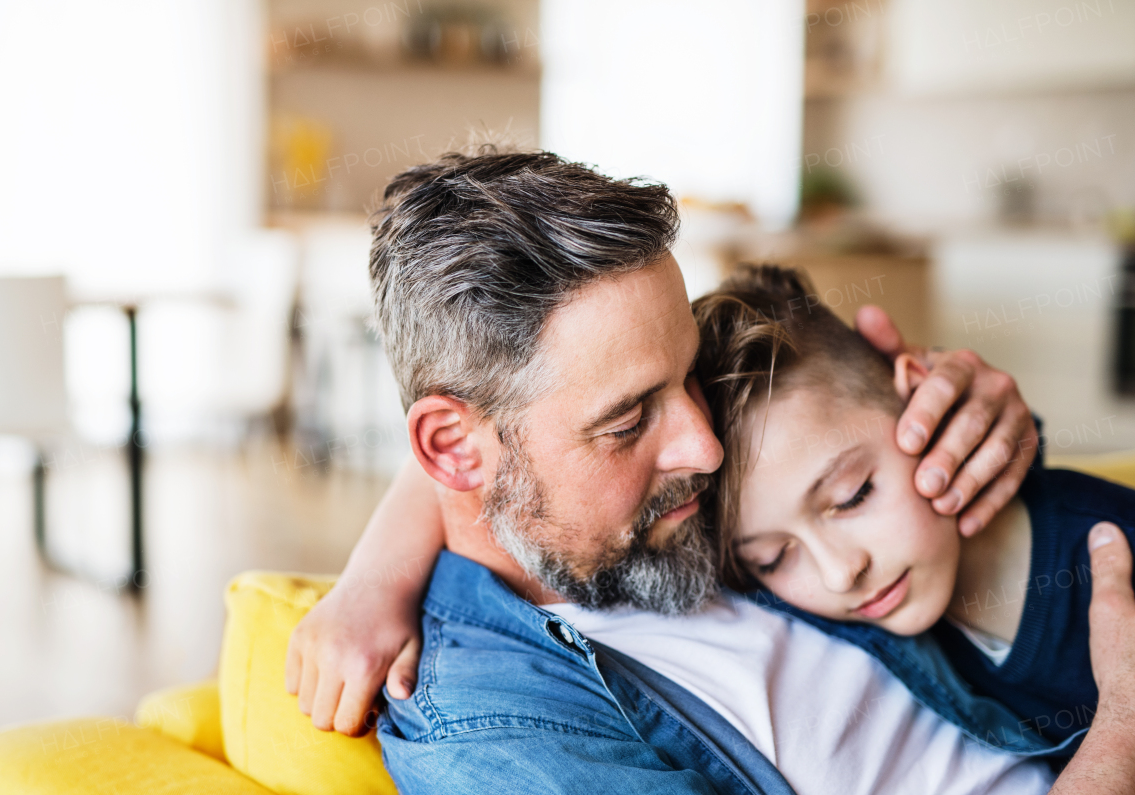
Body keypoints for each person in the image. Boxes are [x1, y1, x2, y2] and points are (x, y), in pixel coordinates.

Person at [284, 149, 1135, 794]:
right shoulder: (503, 731)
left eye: (688, 376)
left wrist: (954, 415)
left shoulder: (649, 525)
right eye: (626, 420)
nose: (706, 446)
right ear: (453, 448)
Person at [690, 262, 1135, 749]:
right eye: (772, 558)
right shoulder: (828, 609)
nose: (840, 574)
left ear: (924, 401)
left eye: (852, 495)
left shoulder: (1110, 546)